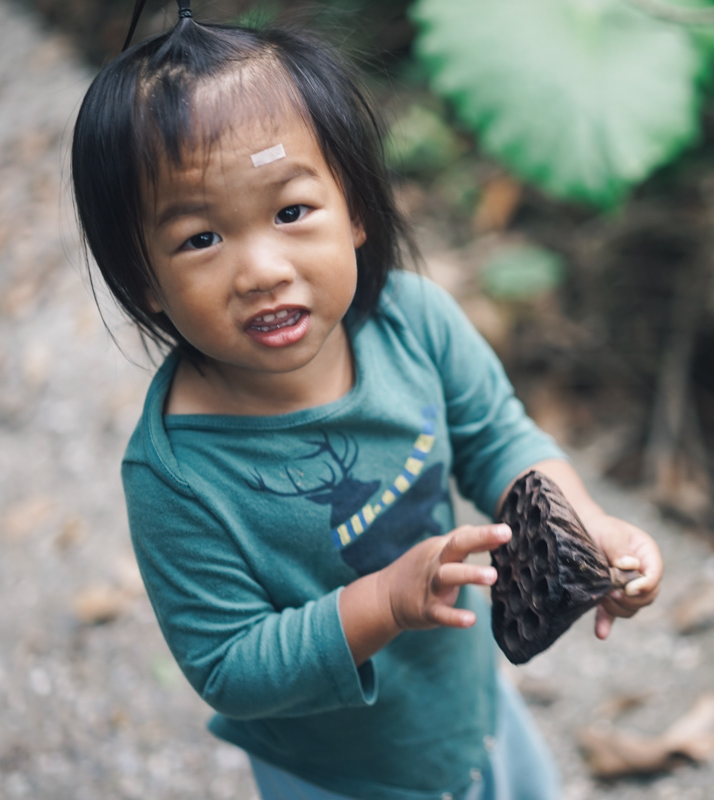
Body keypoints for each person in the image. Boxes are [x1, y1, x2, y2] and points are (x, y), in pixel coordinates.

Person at [71, 3, 663, 798]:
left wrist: (588, 525)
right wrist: (382, 601)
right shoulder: (178, 478)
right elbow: (227, 664)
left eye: (291, 212)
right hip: (341, 773)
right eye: (201, 238)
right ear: (144, 278)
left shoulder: (414, 325)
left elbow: (498, 440)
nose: (262, 270)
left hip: (468, 704)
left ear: (353, 209)